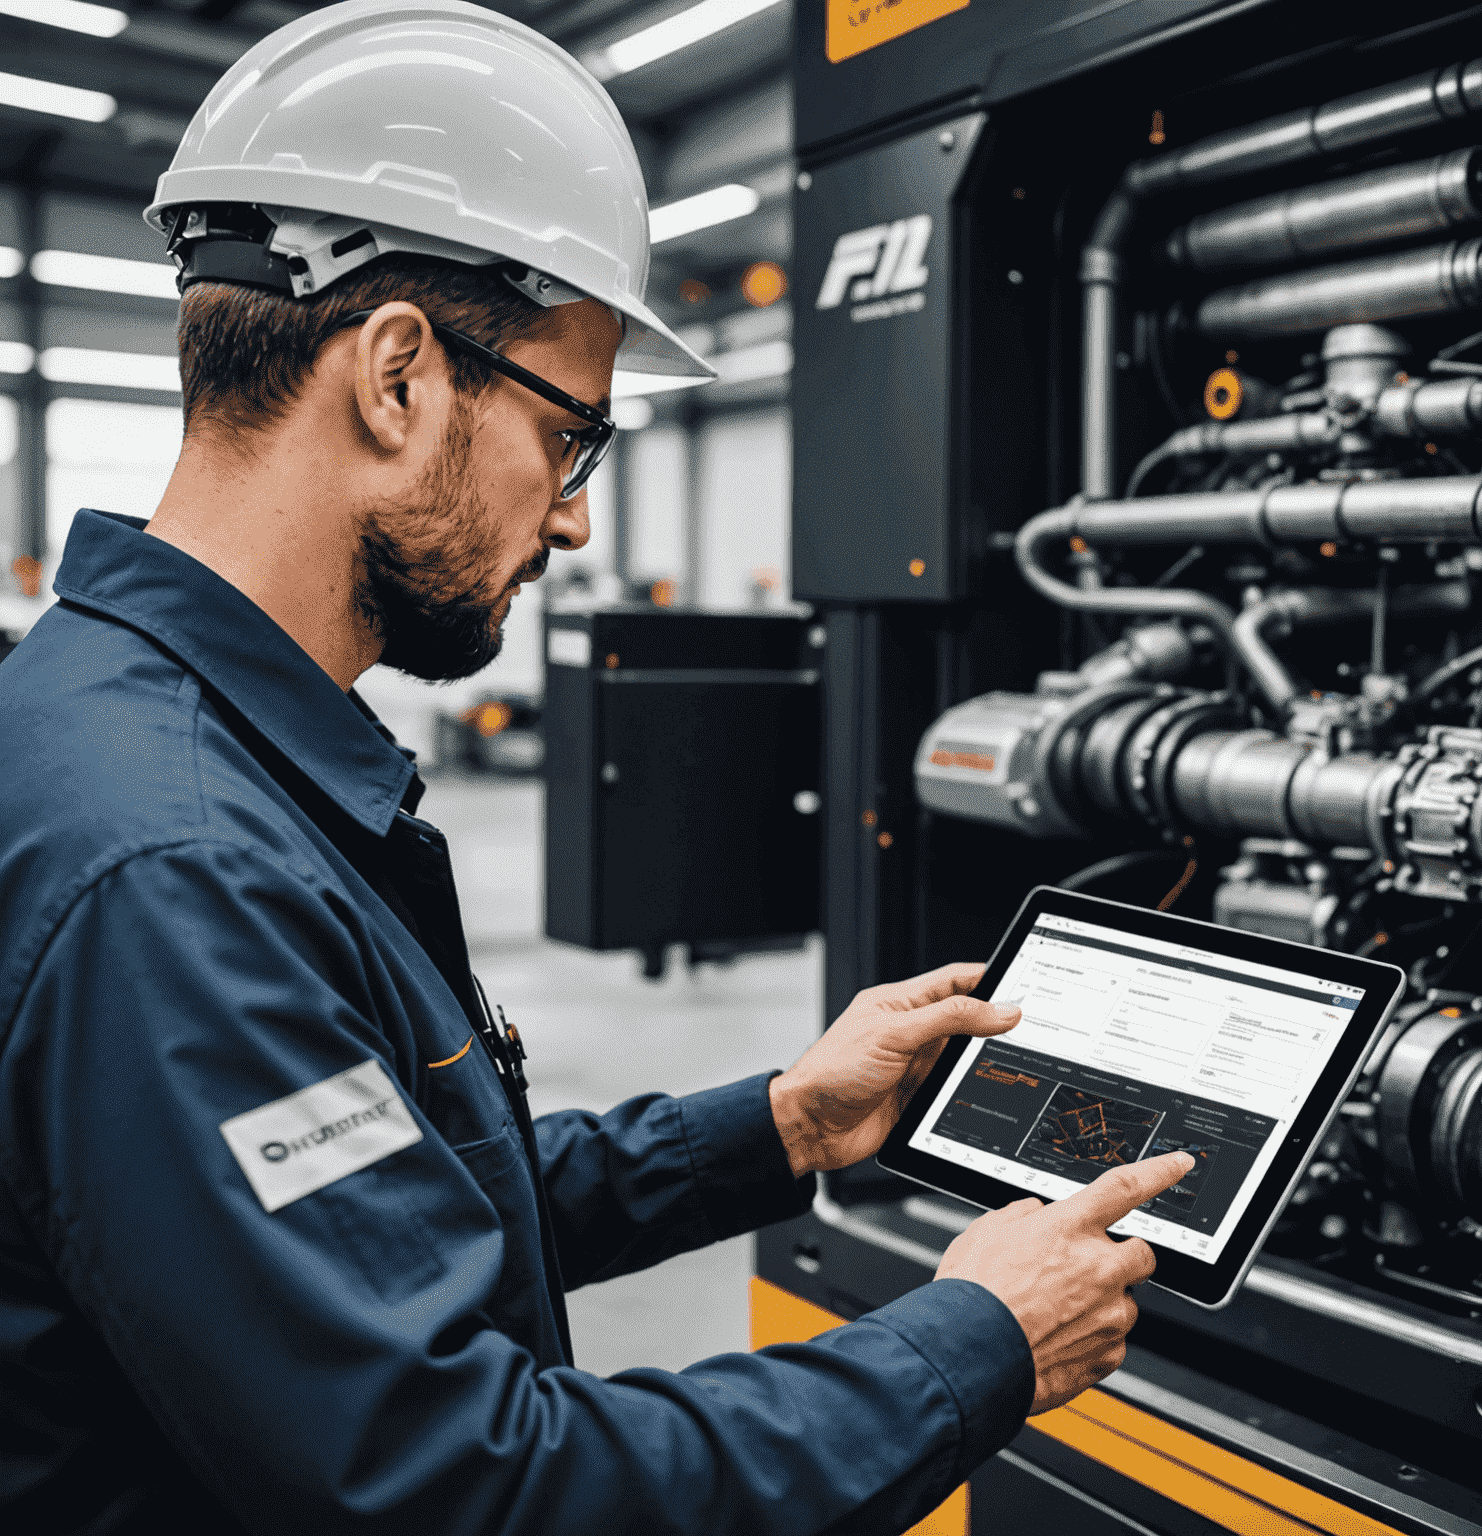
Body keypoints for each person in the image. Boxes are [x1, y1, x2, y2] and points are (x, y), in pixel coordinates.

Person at [0, 2, 1192, 1530]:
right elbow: (467, 1488)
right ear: (398, 376)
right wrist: (976, 1342)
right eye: (573, 438)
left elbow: (385, 1225)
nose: (571, 522)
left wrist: (776, 1126)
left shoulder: (146, 738)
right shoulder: (172, 867)